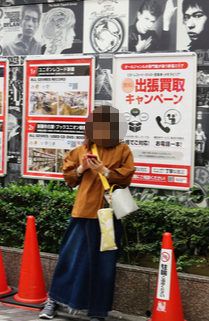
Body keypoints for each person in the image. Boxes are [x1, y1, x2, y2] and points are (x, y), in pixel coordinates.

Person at [39, 105, 135, 321]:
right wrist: (82, 168)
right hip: (82, 213)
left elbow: (127, 177)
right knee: (69, 258)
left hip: (108, 216)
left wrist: (104, 171)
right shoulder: (80, 150)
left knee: (105, 265)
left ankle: (98, 312)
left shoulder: (123, 150)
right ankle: (53, 300)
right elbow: (69, 178)